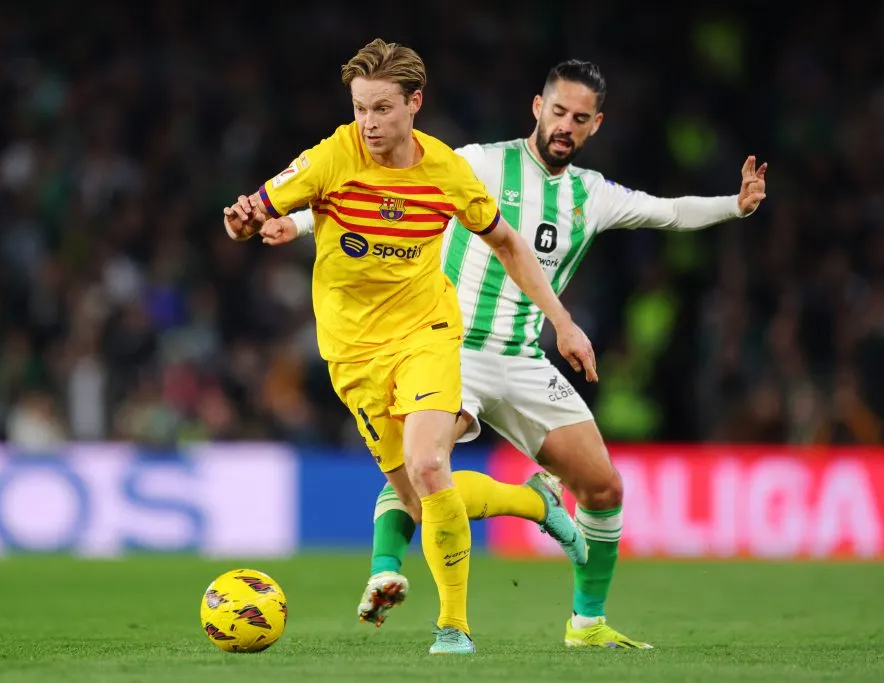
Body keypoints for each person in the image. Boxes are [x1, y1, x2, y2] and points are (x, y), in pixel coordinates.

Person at [264, 59, 768, 649]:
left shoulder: (593, 195)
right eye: (557, 112)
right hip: (447, 344)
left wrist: (735, 205)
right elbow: (374, 194)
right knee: (426, 465)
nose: (565, 126)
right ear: (537, 107)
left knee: (603, 489)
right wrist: (297, 225)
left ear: (595, 125)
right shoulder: (477, 161)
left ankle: (587, 624)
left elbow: (669, 210)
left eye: (579, 119)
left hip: (523, 358)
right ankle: (387, 566)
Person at [224, 40, 596, 655]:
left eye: (380, 109)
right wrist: (242, 221)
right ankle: (535, 502)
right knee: (422, 504)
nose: (367, 124)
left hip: (426, 332)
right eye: (359, 109)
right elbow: (249, 212)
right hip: (351, 353)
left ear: (414, 103)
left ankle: (453, 628)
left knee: (429, 465)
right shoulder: (329, 159)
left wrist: (563, 320)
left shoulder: (448, 171)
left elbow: (506, 243)